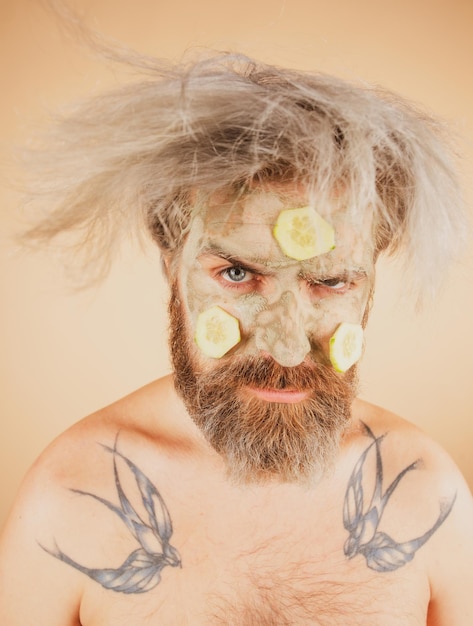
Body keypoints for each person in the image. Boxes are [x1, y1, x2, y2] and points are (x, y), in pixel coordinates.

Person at [0, 51, 472, 625]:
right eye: (238, 274)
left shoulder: (427, 496)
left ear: (369, 281)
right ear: (172, 265)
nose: (289, 347)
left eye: (329, 281)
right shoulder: (68, 503)